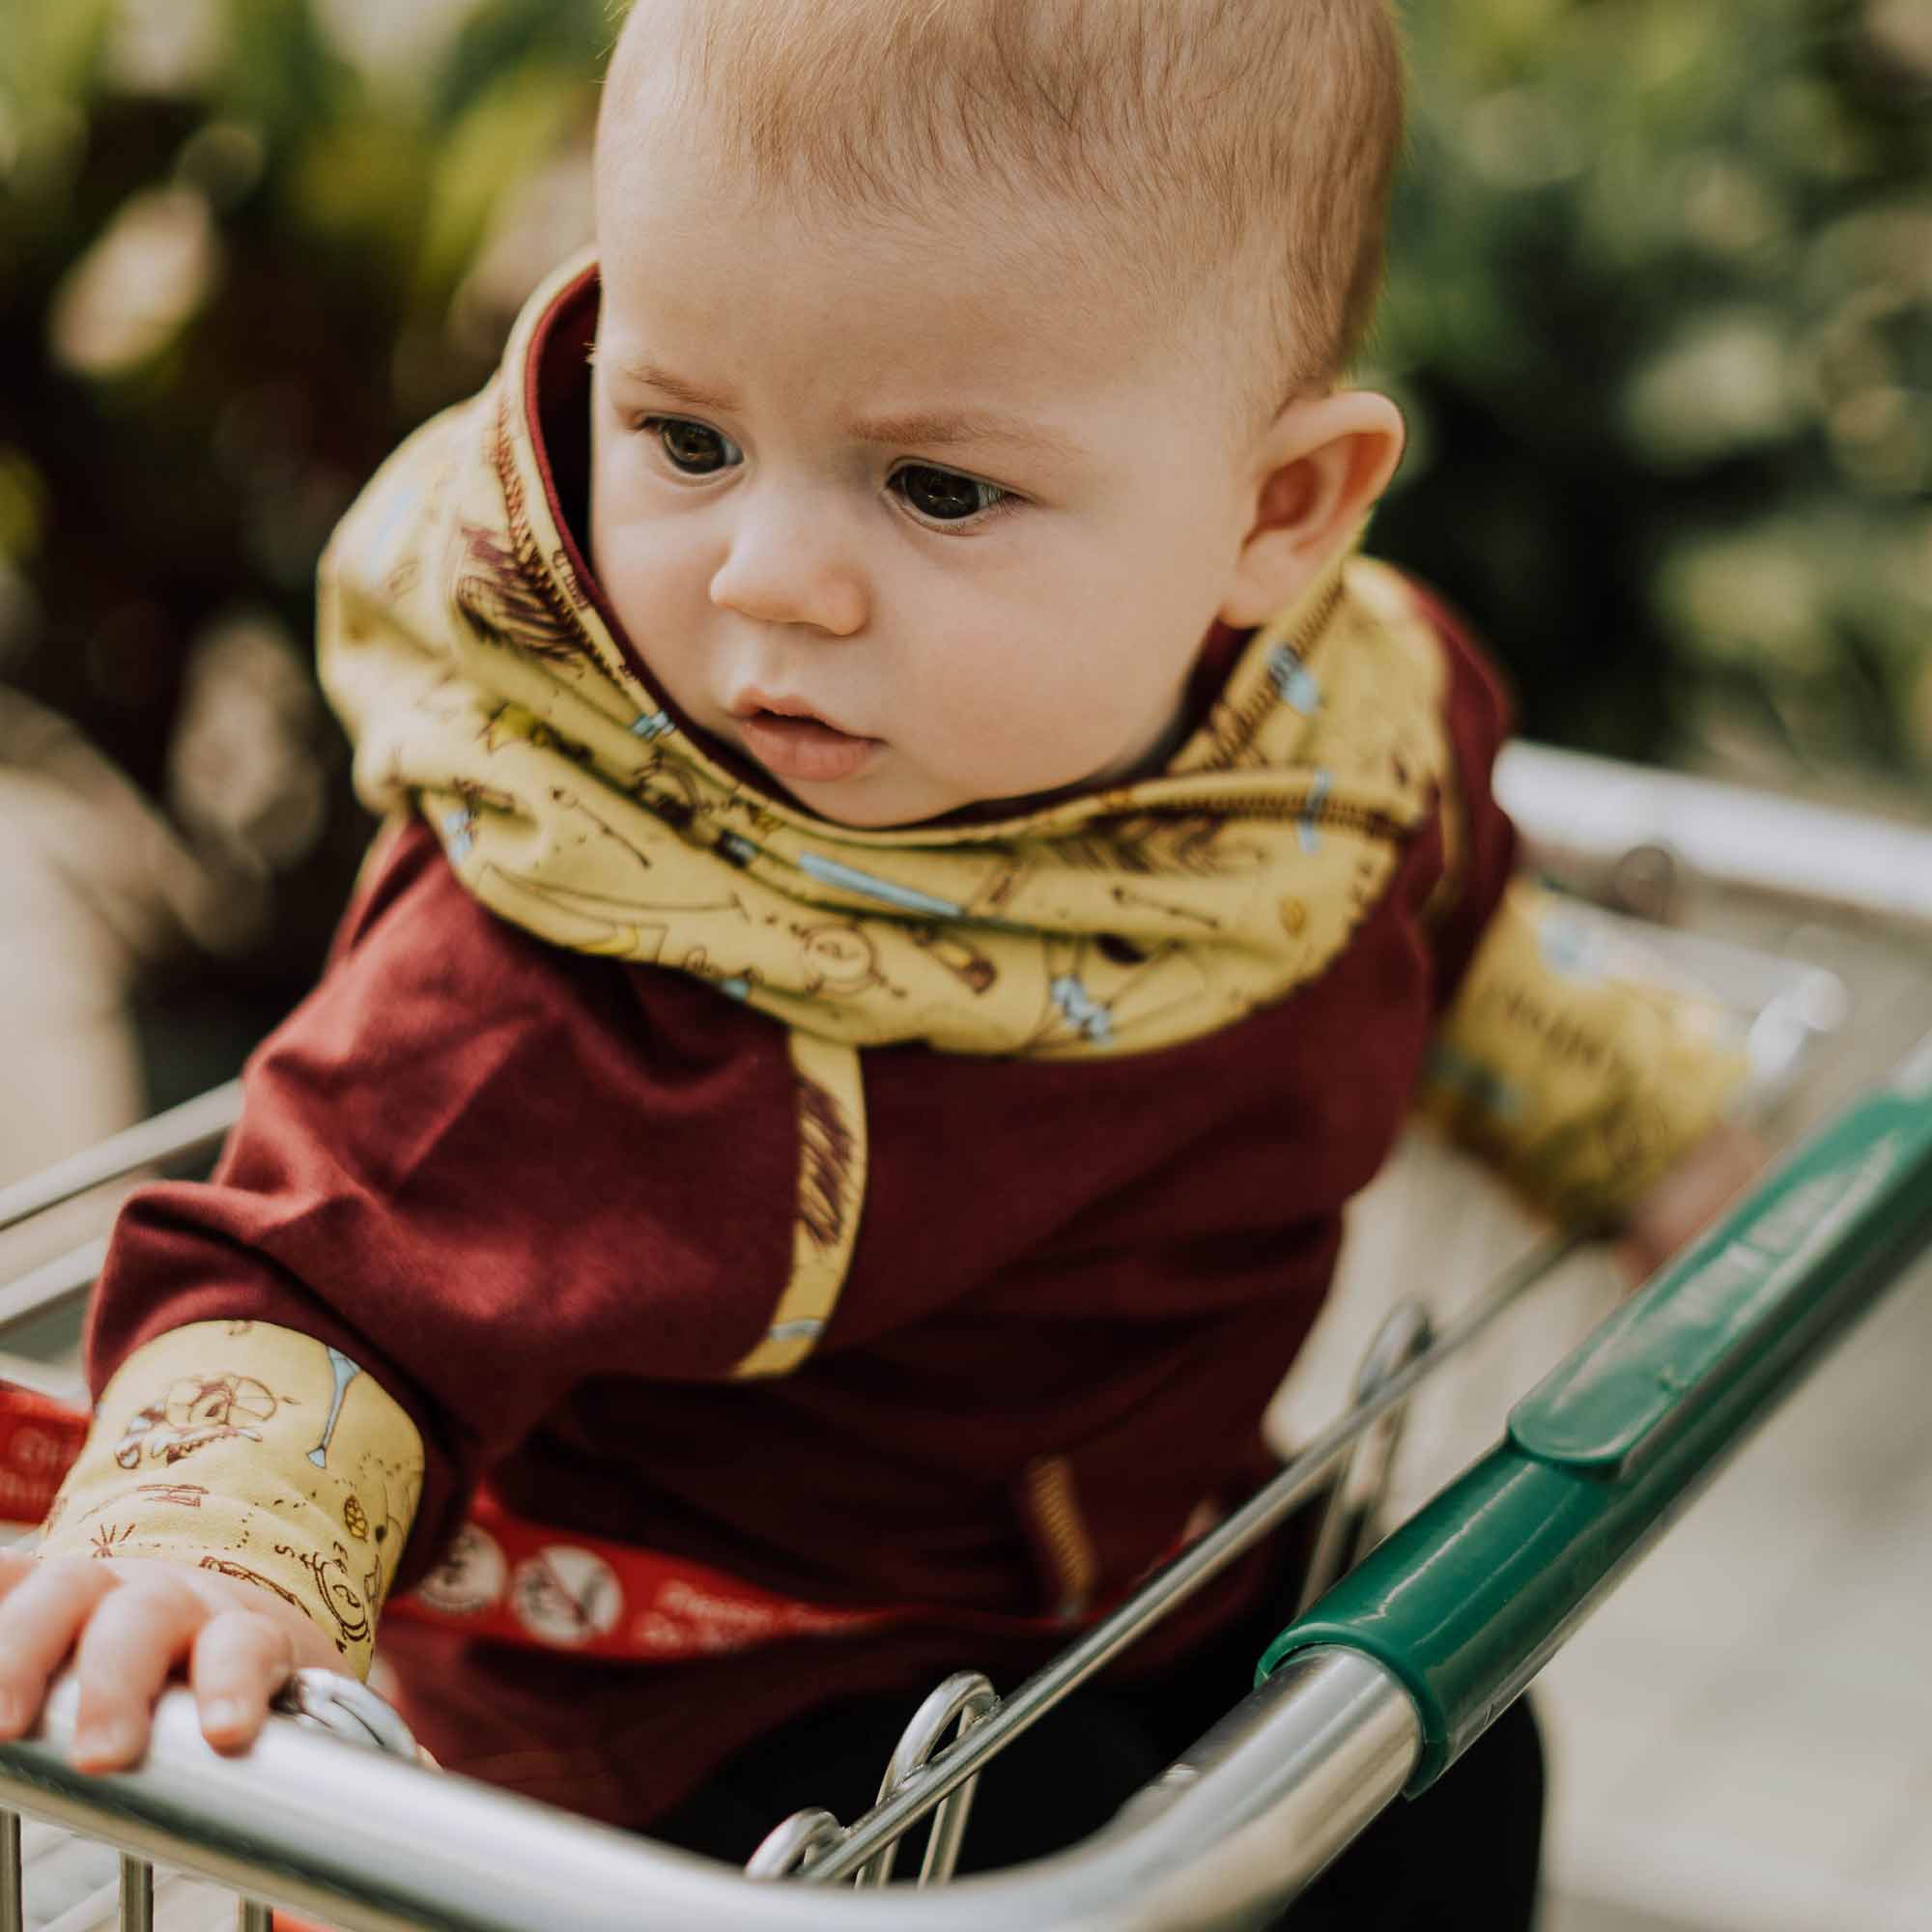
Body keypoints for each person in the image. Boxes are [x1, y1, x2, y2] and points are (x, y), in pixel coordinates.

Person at [0, 0, 1749, 1912]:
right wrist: (209, 1535)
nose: (768, 576)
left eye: (933, 487)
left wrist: (1652, 1135)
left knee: (1449, 1773)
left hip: (1157, 1559)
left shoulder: (1338, 747)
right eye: (684, 435)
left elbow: (1442, 932)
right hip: (721, 1713)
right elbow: (333, 1259)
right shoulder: (603, 940)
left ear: (1276, 514)